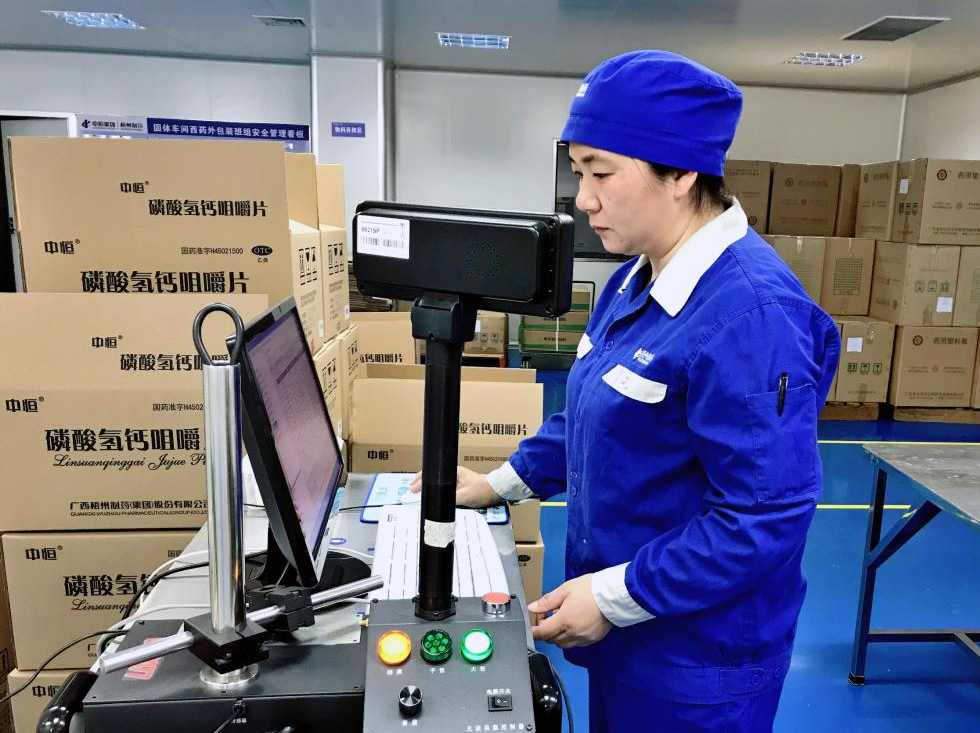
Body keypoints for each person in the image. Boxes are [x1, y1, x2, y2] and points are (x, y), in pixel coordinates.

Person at [412, 50, 840, 732]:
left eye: (602, 173)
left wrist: (615, 596)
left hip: (697, 665)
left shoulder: (752, 318)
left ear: (681, 173)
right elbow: (592, 412)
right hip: (632, 636)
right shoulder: (633, 279)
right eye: (578, 172)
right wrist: (501, 483)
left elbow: (763, 515)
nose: (584, 199)